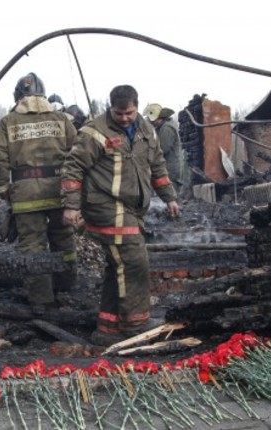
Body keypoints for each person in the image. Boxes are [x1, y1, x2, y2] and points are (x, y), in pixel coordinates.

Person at [61, 85, 181, 345]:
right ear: (110, 108)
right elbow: (72, 168)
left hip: (132, 208)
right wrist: (71, 206)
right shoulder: (94, 131)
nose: (124, 118)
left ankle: (108, 328)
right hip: (104, 205)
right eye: (119, 113)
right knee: (134, 260)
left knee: (118, 264)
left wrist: (170, 197)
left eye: (129, 113)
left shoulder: (147, 130)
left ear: (137, 107)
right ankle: (135, 323)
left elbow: (158, 165)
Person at [0, 73, 79, 314]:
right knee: (64, 240)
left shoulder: (8, 122)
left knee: (32, 246)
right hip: (60, 192)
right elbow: (78, 153)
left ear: (18, 96)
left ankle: (41, 302)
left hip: (26, 194)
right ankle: (67, 289)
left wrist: (4, 189)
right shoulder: (61, 119)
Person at [144, 103, 183, 193]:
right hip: (168, 166)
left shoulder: (167, 128)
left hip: (171, 167)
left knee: (172, 193)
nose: (151, 122)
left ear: (159, 118)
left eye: (152, 120)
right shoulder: (162, 127)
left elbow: (162, 149)